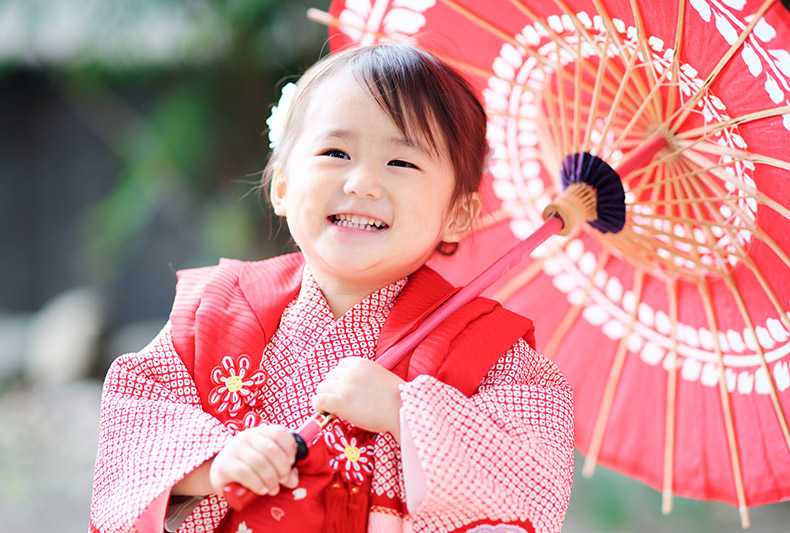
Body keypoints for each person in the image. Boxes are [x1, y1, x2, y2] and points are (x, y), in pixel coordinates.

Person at [90, 43, 574, 533]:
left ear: (457, 214)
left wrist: (405, 411)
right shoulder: (218, 311)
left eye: (401, 163)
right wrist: (216, 462)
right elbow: (138, 417)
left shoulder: (485, 347)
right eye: (335, 153)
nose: (362, 182)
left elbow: (534, 470)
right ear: (282, 186)